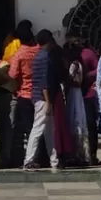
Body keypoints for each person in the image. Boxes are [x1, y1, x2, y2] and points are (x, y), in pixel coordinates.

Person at [23, 29, 62, 171]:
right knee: (38, 128)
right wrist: (48, 102)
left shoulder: (39, 56)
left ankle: (54, 159)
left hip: (40, 97)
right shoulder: (44, 58)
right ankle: (28, 160)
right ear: (49, 41)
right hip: (42, 98)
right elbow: (44, 82)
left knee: (49, 131)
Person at [5, 26, 39, 166]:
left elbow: (12, 75)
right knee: (39, 127)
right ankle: (39, 156)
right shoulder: (38, 51)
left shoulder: (19, 54)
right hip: (39, 94)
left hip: (24, 95)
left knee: (28, 128)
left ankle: (30, 158)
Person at [61, 40, 89, 165]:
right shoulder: (79, 64)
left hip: (73, 93)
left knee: (74, 119)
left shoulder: (74, 65)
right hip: (77, 93)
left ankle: (76, 152)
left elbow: (70, 80)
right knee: (79, 120)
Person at [80, 43, 100, 163]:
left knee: (90, 124)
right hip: (74, 94)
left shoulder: (88, 53)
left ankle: (92, 154)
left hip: (88, 95)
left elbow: (98, 69)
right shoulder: (69, 53)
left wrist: (87, 76)